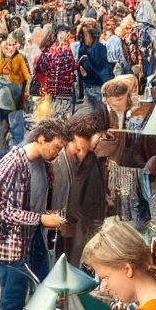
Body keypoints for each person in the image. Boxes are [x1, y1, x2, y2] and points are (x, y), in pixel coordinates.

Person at [0, 119, 68, 310]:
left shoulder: (43, 162)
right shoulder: (12, 164)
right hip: (12, 247)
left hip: (34, 240)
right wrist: (41, 219)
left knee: (45, 291)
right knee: (11, 305)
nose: (58, 152)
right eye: (56, 146)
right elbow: (2, 211)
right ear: (41, 139)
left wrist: (46, 215)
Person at [59, 109, 111, 265]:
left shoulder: (91, 159)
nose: (76, 149)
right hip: (83, 228)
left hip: (85, 227)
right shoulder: (84, 160)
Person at [0, 33, 30, 158]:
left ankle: (5, 154)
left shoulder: (0, 57)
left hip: (5, 99)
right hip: (7, 99)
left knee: (4, 127)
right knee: (11, 127)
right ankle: (12, 154)